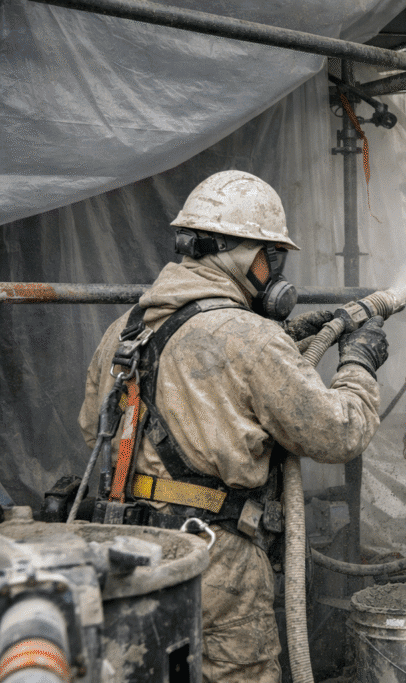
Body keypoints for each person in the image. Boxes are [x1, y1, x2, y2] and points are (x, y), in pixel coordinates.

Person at [78, 170, 388, 683]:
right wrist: (357, 364)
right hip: (213, 557)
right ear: (246, 255)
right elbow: (340, 433)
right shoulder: (249, 338)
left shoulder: (125, 328)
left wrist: (282, 341)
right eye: (274, 257)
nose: (275, 272)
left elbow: (97, 433)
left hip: (123, 549)